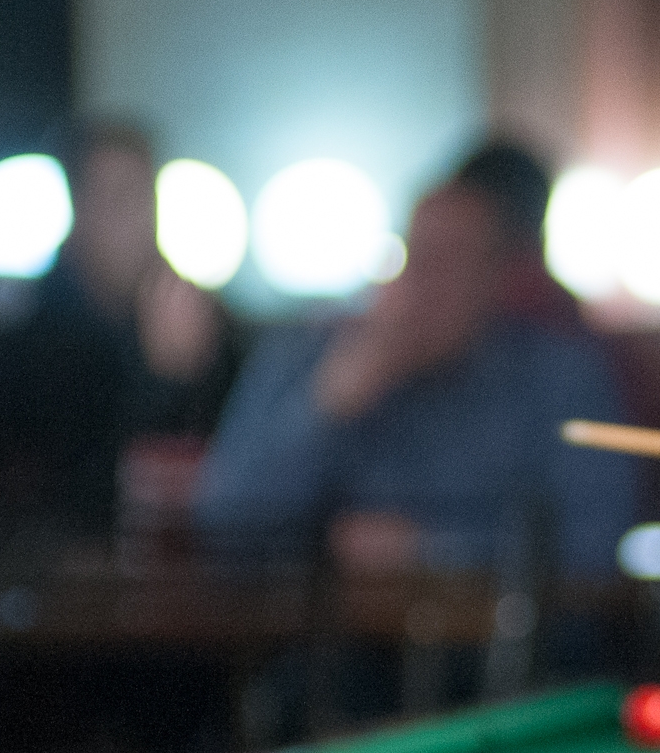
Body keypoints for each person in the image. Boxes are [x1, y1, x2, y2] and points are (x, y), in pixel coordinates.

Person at [194, 141, 636, 582]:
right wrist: (327, 405)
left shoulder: (558, 379)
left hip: (497, 624)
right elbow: (224, 524)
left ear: (497, 278)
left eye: (455, 261)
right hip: (325, 623)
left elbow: (596, 541)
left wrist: (432, 548)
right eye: (417, 256)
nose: (428, 284)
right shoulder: (306, 357)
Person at [0, 122, 242, 539]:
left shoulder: (206, 320)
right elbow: (66, 490)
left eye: (140, 196)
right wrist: (164, 381)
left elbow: (244, 460)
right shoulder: (30, 342)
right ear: (79, 207)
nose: (131, 220)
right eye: (113, 199)